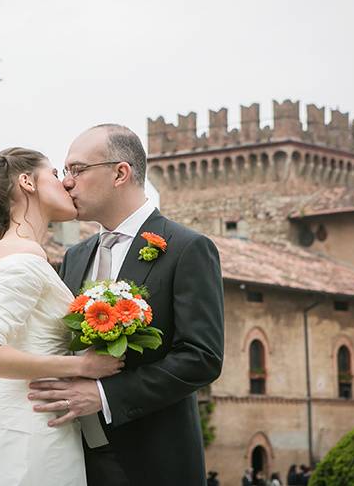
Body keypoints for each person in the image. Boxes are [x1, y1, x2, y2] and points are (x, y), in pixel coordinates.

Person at [24, 124, 225, 485]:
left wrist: (104, 395)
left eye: (78, 169)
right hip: (72, 459)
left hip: (153, 462)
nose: (67, 182)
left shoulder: (186, 248)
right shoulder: (75, 256)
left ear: (120, 172)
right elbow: (60, 343)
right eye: (66, 171)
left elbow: (201, 356)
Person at [0, 147, 124, 486]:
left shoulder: (10, 253)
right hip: (35, 431)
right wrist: (81, 367)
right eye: (53, 173)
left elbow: (8, 343)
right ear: (27, 182)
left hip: (29, 421)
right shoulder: (23, 258)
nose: (65, 183)